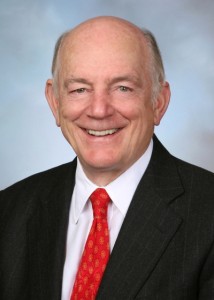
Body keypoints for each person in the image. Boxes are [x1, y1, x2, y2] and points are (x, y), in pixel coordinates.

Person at [0, 16, 214, 300]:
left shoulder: (207, 214)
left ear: (158, 102)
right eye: (79, 89)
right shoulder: (8, 212)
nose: (99, 110)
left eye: (123, 87)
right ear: (55, 102)